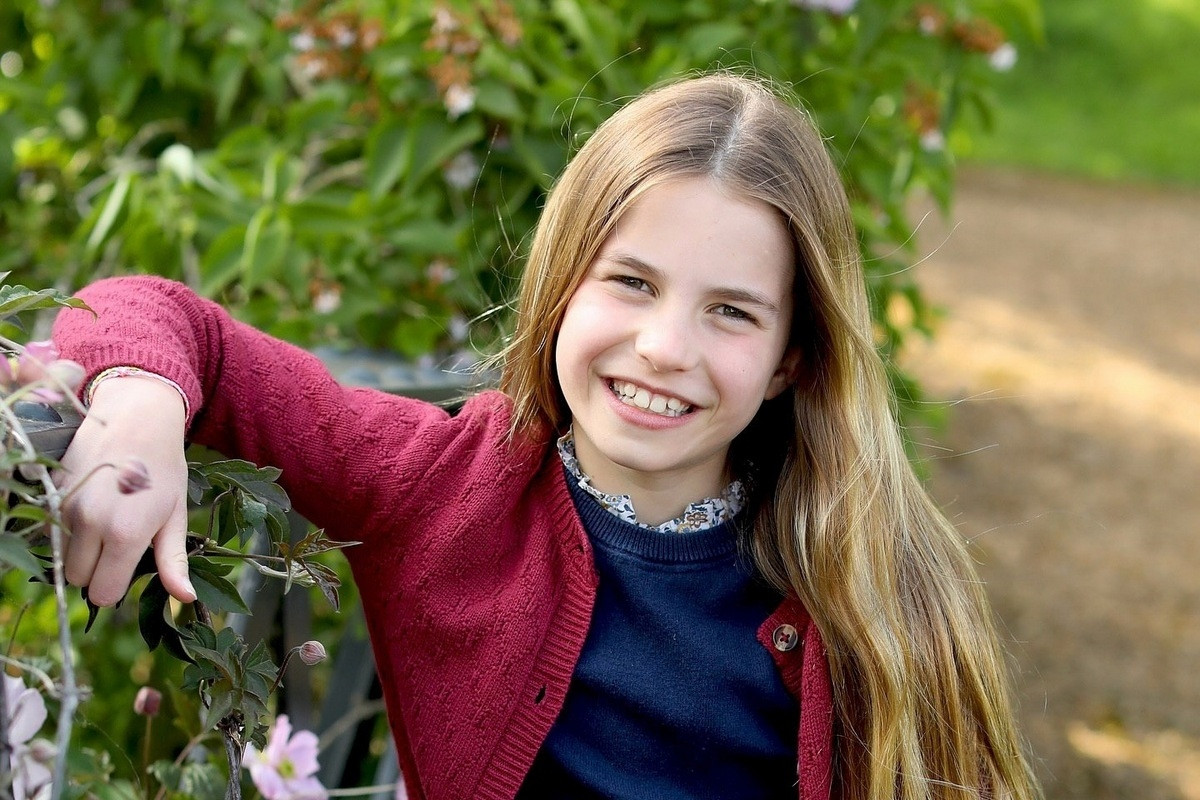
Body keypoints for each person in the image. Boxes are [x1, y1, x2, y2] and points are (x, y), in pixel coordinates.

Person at [52, 73, 1038, 799]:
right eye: (632, 282)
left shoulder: (870, 575)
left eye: (732, 312)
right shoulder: (439, 484)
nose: (665, 347)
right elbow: (148, 310)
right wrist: (139, 402)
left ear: (792, 358)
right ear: (563, 282)